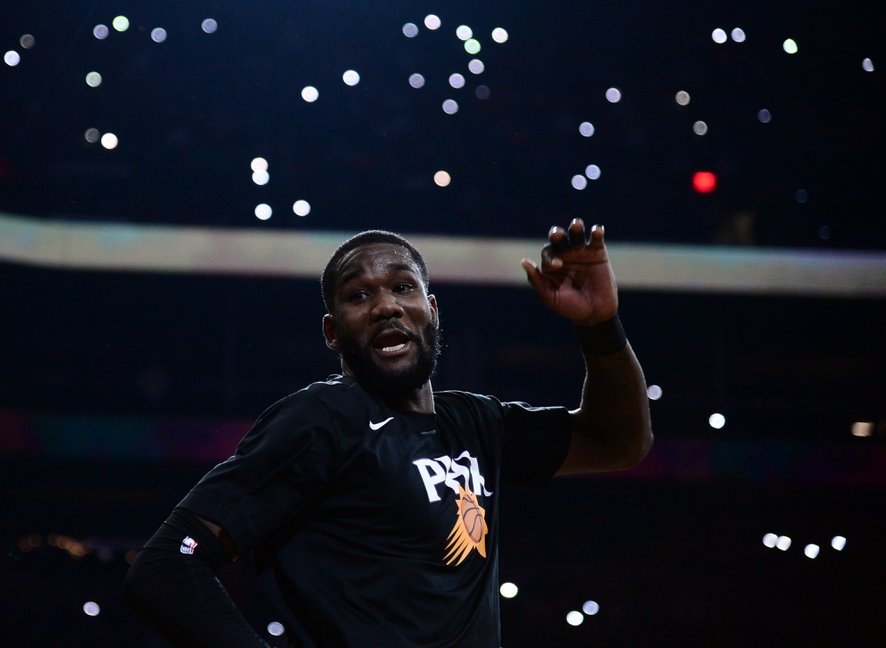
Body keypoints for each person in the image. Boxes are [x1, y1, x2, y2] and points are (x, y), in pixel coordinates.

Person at [123, 219, 652, 648]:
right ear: (333, 331)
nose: (385, 306)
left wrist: (600, 325)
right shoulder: (322, 419)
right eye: (358, 296)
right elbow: (169, 564)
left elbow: (620, 442)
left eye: (402, 287)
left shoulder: (477, 423)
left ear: (432, 311)